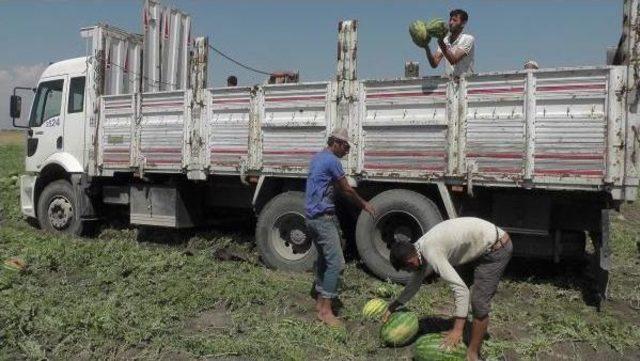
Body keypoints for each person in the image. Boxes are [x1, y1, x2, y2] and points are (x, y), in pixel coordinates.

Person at [384, 217, 512, 361]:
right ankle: (465, 327)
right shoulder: (418, 248)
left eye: (407, 269)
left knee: (478, 302)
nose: (409, 272)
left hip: (496, 249)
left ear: (410, 261)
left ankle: (472, 353)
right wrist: (394, 305)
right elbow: (414, 283)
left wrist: (457, 330)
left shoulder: (430, 251)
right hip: (479, 247)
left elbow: (461, 290)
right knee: (462, 285)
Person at [305, 128, 376, 326]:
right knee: (336, 263)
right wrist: (364, 204)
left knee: (324, 261)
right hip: (322, 219)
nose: (347, 151)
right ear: (335, 142)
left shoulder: (318, 158)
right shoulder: (331, 161)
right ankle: (326, 311)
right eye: (346, 146)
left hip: (312, 218)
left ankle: (320, 303)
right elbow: (345, 188)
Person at [425, 9, 475, 77]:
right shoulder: (445, 40)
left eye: (454, 20)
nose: (451, 23)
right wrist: (426, 46)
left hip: (465, 84)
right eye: (450, 20)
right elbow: (434, 63)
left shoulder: (468, 39)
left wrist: (441, 42)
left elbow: (453, 60)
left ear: (463, 23)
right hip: (449, 84)